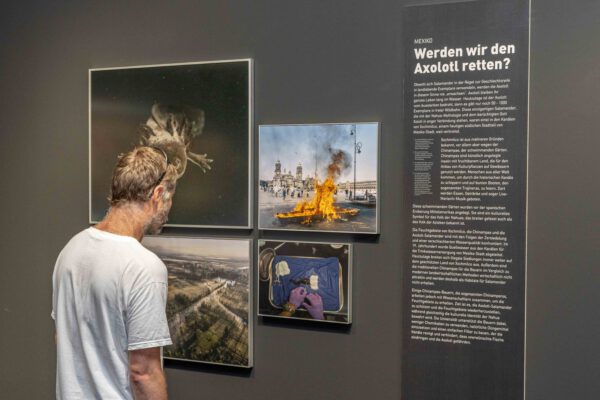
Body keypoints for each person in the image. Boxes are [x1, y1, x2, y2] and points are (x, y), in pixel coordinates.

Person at [52, 146, 178, 400]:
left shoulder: (70, 250)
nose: (170, 208)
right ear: (157, 194)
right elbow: (143, 372)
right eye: (170, 198)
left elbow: (63, 338)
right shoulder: (144, 267)